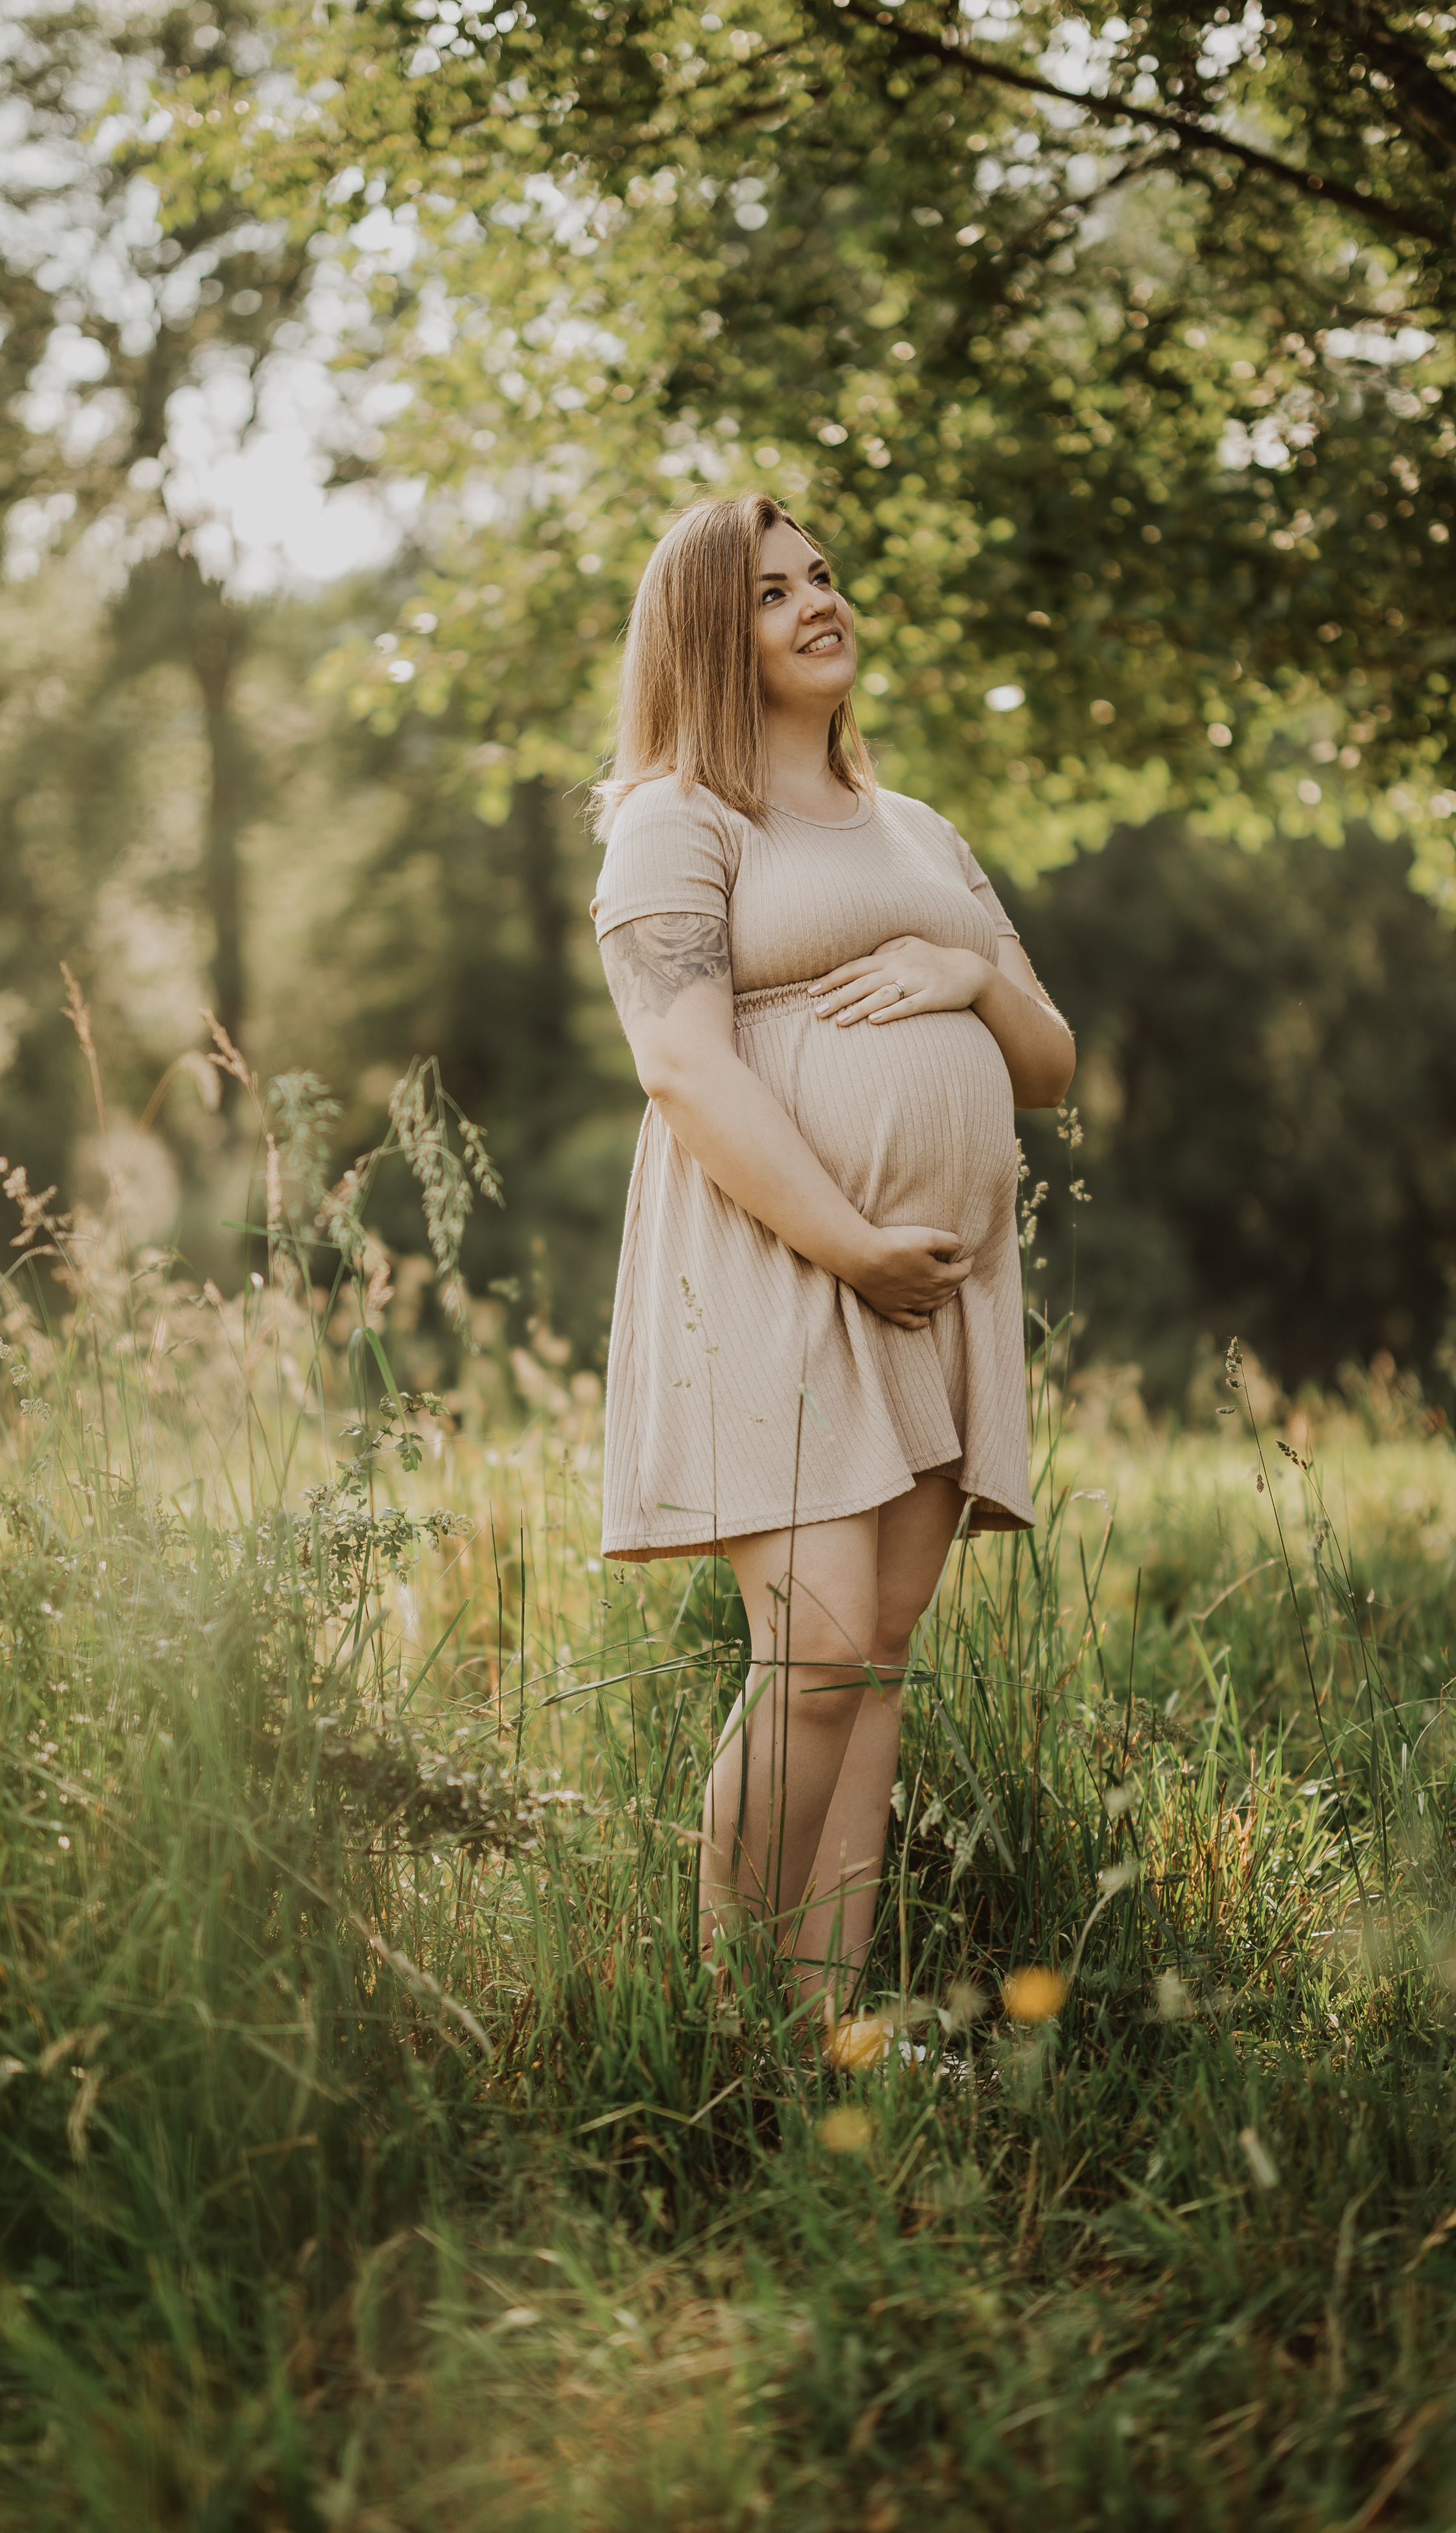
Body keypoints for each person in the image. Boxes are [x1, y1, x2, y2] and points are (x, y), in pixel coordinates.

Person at [591, 490, 1075, 2028]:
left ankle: (825, 2029)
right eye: (767, 589)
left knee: (870, 1657)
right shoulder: (677, 818)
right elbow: (681, 1065)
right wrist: (850, 1240)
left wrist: (964, 974)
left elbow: (1054, 1061)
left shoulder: (921, 831)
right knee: (805, 1648)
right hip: (778, 1264)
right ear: (700, 633)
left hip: (932, 1287)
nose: (815, 602)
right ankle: (713, 2014)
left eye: (823, 575)